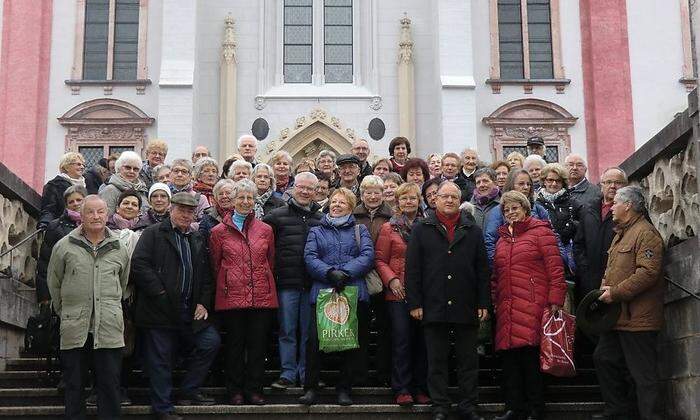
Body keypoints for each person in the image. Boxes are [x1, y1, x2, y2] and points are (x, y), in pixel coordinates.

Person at [131, 192, 221, 420]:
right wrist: (160, 293)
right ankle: (162, 408)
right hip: (158, 310)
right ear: (171, 209)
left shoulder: (197, 237)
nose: (185, 214)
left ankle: (189, 390)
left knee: (210, 342)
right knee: (160, 359)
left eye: (190, 211)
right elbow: (139, 265)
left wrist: (202, 301)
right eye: (181, 209)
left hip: (189, 310)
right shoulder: (153, 233)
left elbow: (207, 276)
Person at [405, 181, 490, 420]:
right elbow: (413, 270)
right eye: (445, 196)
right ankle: (440, 406)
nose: (450, 200)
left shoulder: (473, 230)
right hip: (433, 304)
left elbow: (482, 270)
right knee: (437, 361)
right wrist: (415, 303)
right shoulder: (422, 228)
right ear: (436, 200)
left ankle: (468, 406)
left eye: (454, 196)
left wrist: (483, 302)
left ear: (460, 200)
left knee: (468, 362)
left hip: (466, 303)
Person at [47, 195, 130, 420]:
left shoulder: (119, 247)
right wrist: (66, 312)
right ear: (81, 216)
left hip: (109, 327)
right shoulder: (64, 246)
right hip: (75, 326)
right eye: (90, 212)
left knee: (110, 387)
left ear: (107, 215)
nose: (95, 216)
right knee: (74, 386)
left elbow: (123, 284)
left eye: (100, 212)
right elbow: (54, 283)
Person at [491, 191, 567, 420]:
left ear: (525, 209)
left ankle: (536, 408)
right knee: (510, 359)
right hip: (508, 305)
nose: (511, 213)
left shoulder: (541, 233)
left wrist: (555, 300)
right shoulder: (502, 239)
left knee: (531, 358)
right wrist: (495, 300)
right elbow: (496, 275)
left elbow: (555, 269)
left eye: (515, 208)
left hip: (535, 304)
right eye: (507, 210)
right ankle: (514, 408)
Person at [593, 186, 664, 420]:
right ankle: (618, 411)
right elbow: (615, 269)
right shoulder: (621, 233)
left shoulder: (646, 233)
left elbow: (648, 273)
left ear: (628, 206)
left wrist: (616, 293)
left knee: (643, 375)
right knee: (604, 358)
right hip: (617, 317)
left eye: (615, 203)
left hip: (638, 319)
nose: (611, 206)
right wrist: (605, 286)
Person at [300, 188, 374, 406]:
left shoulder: (360, 230)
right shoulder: (316, 230)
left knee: (350, 344)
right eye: (334, 202)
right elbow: (310, 256)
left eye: (342, 202)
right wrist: (329, 272)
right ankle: (311, 387)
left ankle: (344, 388)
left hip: (353, 293)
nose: (337, 205)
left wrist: (346, 273)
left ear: (350, 206)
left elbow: (368, 255)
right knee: (314, 342)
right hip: (323, 292)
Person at [209, 179, 277, 405]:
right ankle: (234, 390)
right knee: (235, 346)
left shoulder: (265, 229)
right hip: (232, 296)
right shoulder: (218, 231)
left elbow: (270, 261)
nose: (245, 201)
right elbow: (216, 265)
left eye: (249, 197)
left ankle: (254, 389)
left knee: (258, 347)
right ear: (233, 200)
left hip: (261, 296)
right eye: (241, 197)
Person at [263, 173, 323, 389]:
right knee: (287, 330)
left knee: (308, 333)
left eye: (310, 188)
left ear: (316, 191)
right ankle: (288, 373)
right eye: (301, 187)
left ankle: (307, 373)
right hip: (286, 284)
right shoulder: (276, 217)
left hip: (311, 284)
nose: (305, 192)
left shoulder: (320, 219)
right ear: (293, 188)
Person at [374, 182, 429, 406]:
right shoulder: (389, 228)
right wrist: (391, 279)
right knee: (402, 340)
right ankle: (402, 388)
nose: (408, 202)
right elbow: (379, 259)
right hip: (397, 293)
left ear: (419, 201)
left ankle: (421, 388)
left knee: (422, 342)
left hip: (423, 292)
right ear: (397, 202)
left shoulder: (428, 225)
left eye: (413, 198)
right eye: (404, 198)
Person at [353, 175, 394, 386]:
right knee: (360, 327)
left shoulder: (392, 216)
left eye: (376, 192)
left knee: (385, 328)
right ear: (362, 195)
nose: (372, 196)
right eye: (368, 192)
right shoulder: (353, 214)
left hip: (385, 279)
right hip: (359, 278)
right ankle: (359, 374)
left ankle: (383, 373)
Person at [573, 168, 628, 306]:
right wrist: (584, 269)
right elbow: (579, 243)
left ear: (625, 185)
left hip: (618, 279)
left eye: (618, 182)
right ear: (601, 185)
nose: (613, 186)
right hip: (589, 278)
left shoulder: (632, 210)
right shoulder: (588, 208)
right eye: (608, 182)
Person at [483, 169, 551, 265]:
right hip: (508, 265)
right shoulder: (498, 211)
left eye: (528, 184)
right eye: (521, 184)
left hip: (538, 265)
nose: (526, 187)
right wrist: (498, 267)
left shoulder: (539, 209)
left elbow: (552, 236)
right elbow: (490, 241)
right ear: (511, 185)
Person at [36, 185, 88, 305]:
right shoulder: (55, 227)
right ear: (66, 205)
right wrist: (45, 297)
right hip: (64, 289)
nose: (75, 204)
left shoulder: (97, 226)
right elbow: (45, 262)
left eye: (79, 200)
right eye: (71, 202)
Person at [536, 163, 583, 277]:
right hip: (544, 258)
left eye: (558, 181)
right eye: (550, 180)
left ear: (563, 183)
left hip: (570, 259)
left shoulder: (574, 203)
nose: (554, 183)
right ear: (544, 181)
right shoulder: (536, 204)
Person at [39, 152, 86, 228]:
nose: (82, 167)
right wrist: (45, 223)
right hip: (63, 228)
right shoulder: (54, 185)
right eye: (78, 164)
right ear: (66, 167)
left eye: (83, 165)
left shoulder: (85, 185)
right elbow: (49, 209)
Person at [100, 151, 149, 216]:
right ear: (119, 168)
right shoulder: (110, 190)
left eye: (135, 169)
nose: (131, 171)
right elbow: (106, 218)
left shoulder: (142, 190)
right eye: (128, 168)